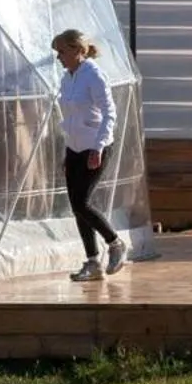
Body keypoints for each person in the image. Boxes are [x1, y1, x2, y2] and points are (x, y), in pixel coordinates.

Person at [53, 29, 128, 281]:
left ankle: (115, 243)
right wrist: (68, 151)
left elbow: (109, 113)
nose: (59, 57)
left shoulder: (93, 75)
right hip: (74, 148)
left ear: (77, 50)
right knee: (77, 207)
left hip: (95, 147)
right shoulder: (67, 78)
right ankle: (93, 261)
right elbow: (70, 118)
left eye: (62, 52)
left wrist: (98, 147)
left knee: (82, 202)